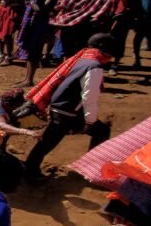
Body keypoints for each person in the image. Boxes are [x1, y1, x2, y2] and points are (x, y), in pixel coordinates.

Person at [24, 33, 115, 179]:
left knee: (49, 140)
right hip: (68, 111)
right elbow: (89, 97)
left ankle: (31, 168)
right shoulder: (95, 66)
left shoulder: (82, 58)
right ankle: (31, 170)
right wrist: (89, 121)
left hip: (59, 106)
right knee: (49, 141)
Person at [50, 0, 114, 59]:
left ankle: (68, 69)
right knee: (82, 50)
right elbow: (107, 5)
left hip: (68, 23)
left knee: (68, 51)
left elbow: (63, 3)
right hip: (87, 24)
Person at [15, 0, 59, 86]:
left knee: (35, 51)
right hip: (34, 24)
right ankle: (27, 79)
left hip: (42, 25)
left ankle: (29, 79)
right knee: (31, 51)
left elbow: (41, 9)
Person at [107, 0, 143, 72]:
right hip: (110, 18)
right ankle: (104, 62)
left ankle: (115, 64)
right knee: (107, 41)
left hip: (125, 19)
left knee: (120, 41)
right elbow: (106, 2)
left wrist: (132, 14)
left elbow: (138, 5)